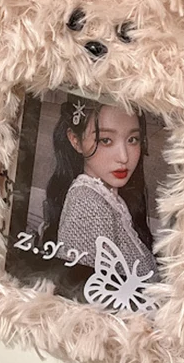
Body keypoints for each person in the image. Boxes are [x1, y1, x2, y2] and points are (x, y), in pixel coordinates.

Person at [41, 97, 159, 279]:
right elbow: (81, 292)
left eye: (132, 139)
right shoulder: (89, 205)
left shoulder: (110, 199)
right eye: (106, 140)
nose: (124, 157)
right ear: (75, 140)